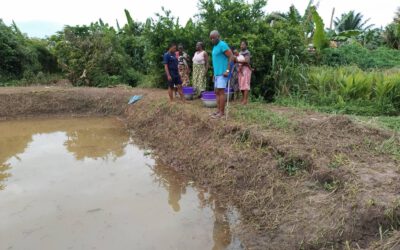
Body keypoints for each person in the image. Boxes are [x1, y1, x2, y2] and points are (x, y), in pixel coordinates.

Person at [209, 30, 233, 119]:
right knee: (216, 92)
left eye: (213, 38)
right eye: (211, 38)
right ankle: (218, 111)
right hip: (217, 74)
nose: (212, 40)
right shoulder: (215, 47)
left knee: (221, 92)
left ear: (218, 37)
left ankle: (222, 113)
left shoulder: (222, 45)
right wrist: (214, 74)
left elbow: (231, 56)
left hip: (223, 73)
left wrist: (227, 70)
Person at [237, 40, 252, 105]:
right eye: (241, 44)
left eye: (243, 44)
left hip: (246, 69)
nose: (242, 46)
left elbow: (246, 61)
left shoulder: (247, 52)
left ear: (246, 45)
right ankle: (243, 98)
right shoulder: (239, 53)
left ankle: (245, 100)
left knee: (245, 84)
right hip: (240, 70)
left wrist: (238, 62)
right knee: (241, 84)